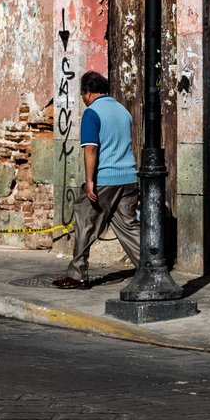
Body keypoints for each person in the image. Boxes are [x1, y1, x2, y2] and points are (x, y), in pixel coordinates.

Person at [53, 71, 141, 290]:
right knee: (128, 225)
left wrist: (90, 180)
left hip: (105, 179)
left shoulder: (92, 113)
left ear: (88, 92)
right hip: (129, 177)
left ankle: (77, 275)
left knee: (84, 220)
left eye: (83, 95)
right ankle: (150, 265)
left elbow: (91, 149)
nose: (83, 99)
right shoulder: (123, 111)